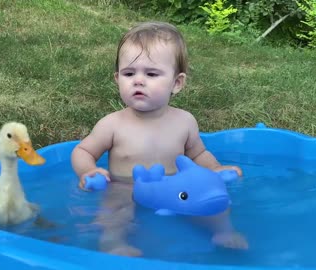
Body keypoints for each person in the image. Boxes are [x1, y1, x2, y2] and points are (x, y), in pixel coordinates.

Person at [71, 21, 248, 257]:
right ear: (117, 79)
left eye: (151, 73)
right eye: (129, 73)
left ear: (177, 83)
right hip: (126, 188)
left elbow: (198, 154)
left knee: (213, 205)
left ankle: (223, 232)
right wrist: (88, 171)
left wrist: (215, 168)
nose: (138, 80)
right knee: (114, 213)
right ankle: (113, 243)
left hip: (176, 188)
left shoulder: (184, 121)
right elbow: (83, 151)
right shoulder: (112, 124)